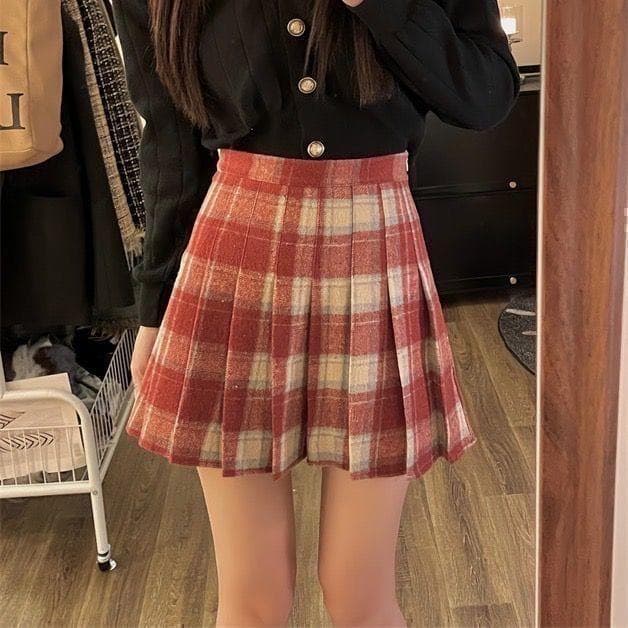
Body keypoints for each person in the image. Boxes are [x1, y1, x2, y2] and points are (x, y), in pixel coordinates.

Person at [112, 1, 520, 625]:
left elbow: (486, 95)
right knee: (253, 596)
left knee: (358, 591)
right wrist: (154, 307)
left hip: (373, 246)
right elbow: (170, 144)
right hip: (234, 252)